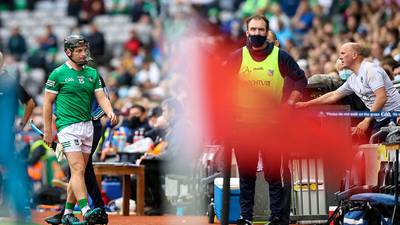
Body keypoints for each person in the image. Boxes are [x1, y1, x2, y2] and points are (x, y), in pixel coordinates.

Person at [225, 15, 307, 225]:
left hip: (272, 127)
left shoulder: (280, 57)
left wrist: (289, 104)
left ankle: (277, 219)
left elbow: (300, 79)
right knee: (246, 176)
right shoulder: (237, 57)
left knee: (273, 175)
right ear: (247, 32)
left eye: (261, 30)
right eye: (253, 29)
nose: (257, 34)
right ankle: (246, 218)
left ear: (267, 32)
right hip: (243, 127)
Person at [43, 35, 117, 225]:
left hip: (88, 127)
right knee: (77, 169)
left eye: (85, 50)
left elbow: (102, 98)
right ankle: (86, 210)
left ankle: (67, 213)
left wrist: (110, 112)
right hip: (68, 126)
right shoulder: (57, 74)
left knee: (80, 172)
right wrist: (48, 131)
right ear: (68, 52)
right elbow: (47, 103)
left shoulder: (92, 73)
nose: (84, 53)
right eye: (79, 50)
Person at [296, 42, 400, 138]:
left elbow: (381, 98)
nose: (340, 57)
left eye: (343, 53)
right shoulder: (352, 79)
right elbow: (333, 95)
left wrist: (366, 121)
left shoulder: (370, 70)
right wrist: (306, 104)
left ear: (354, 55)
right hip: (380, 118)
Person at [0, 50, 36, 222]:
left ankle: (15, 206)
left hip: (5, 134)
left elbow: (30, 102)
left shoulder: (9, 82)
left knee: (8, 169)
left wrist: (21, 124)